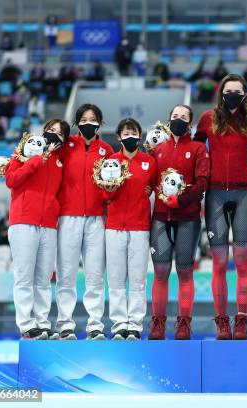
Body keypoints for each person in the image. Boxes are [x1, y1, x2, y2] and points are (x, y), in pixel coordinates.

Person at [194, 74, 247, 340]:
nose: (232, 94)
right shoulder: (207, 119)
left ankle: (242, 320)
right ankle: (222, 321)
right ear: (221, 92)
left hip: (244, 193)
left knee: (243, 262)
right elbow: (195, 153)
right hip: (215, 195)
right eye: (228, 90)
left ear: (245, 94)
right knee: (220, 262)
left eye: (238, 90)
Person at [148, 104, 210, 340]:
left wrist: (181, 199)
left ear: (190, 124)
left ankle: (184, 324)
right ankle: (158, 324)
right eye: (175, 116)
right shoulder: (158, 150)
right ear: (168, 120)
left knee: (185, 272)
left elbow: (203, 182)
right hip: (161, 218)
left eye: (184, 117)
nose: (179, 120)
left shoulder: (197, 149)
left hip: (187, 217)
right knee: (161, 272)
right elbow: (148, 179)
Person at [6, 118, 69, 339]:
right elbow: (11, 180)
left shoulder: (60, 162)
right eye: (50, 130)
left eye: (59, 133)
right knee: (24, 277)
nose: (54, 135)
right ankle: (26, 324)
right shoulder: (24, 151)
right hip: (23, 221)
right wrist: (35, 160)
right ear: (43, 132)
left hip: (49, 225)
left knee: (43, 278)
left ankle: (42, 323)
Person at [55, 104, 113, 340]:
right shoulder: (66, 146)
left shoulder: (107, 150)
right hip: (68, 217)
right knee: (66, 274)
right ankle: (65, 324)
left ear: (100, 123)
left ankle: (95, 324)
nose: (89, 123)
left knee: (95, 275)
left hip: (96, 218)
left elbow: (113, 184)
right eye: (84, 119)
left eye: (94, 119)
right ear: (77, 123)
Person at [102, 118, 156, 340]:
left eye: (134, 132)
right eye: (126, 132)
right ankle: (118, 324)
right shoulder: (110, 161)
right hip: (114, 227)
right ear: (118, 137)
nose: (130, 136)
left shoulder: (149, 162)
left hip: (140, 227)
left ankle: (135, 324)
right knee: (115, 279)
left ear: (140, 135)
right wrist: (110, 187)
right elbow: (104, 195)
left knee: (137, 279)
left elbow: (153, 188)